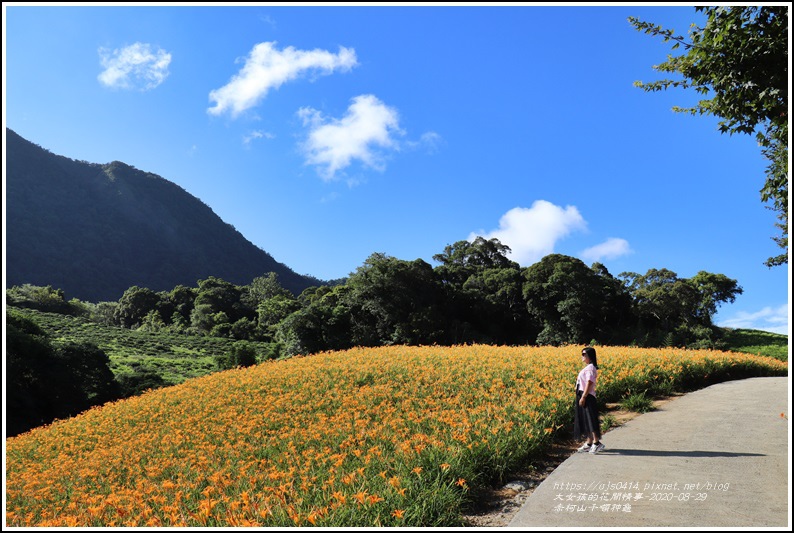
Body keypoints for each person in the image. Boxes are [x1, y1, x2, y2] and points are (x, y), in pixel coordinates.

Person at [574, 346, 605, 454]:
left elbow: (589, 382)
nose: (582, 356)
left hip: (587, 396)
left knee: (591, 420)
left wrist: (583, 397)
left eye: (584, 354)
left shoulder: (591, 368)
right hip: (583, 395)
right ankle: (589, 443)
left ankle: (597, 443)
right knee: (586, 420)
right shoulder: (588, 367)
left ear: (590, 356)